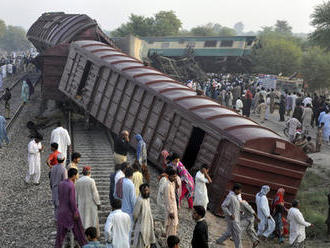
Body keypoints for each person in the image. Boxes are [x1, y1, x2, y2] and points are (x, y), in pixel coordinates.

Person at [55, 168, 87, 248]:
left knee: (60, 235)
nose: (77, 177)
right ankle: (85, 246)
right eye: (76, 175)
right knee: (79, 231)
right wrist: (75, 212)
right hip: (69, 212)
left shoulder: (61, 183)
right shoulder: (71, 185)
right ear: (73, 175)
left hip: (61, 211)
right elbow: (72, 200)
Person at [75, 166, 101, 237]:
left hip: (81, 204)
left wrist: (76, 204)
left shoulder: (78, 181)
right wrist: (98, 203)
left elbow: (76, 195)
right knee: (92, 220)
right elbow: (95, 193)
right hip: (91, 204)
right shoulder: (91, 181)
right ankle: (93, 235)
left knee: (83, 220)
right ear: (89, 173)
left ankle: (83, 236)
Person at [216, 183, 242, 247]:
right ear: (235, 190)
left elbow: (234, 206)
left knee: (230, 232)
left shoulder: (236, 197)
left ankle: (219, 241)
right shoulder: (230, 196)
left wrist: (240, 211)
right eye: (239, 190)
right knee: (238, 232)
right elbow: (223, 206)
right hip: (232, 218)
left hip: (235, 217)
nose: (240, 192)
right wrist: (230, 214)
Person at [132, 183, 156, 248]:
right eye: (144, 190)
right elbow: (135, 214)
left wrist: (152, 222)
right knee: (140, 244)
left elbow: (149, 212)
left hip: (148, 226)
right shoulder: (139, 200)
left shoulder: (147, 199)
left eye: (147, 190)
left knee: (148, 243)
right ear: (141, 191)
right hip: (141, 227)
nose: (146, 192)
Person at [50, 153, 67, 219]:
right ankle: (59, 219)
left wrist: (51, 187)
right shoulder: (63, 169)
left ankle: (56, 218)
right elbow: (65, 180)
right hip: (61, 189)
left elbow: (51, 179)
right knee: (60, 204)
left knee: (55, 204)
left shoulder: (53, 167)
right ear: (64, 159)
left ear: (57, 159)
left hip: (54, 187)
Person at [164, 167, 179, 237]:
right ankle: (169, 240)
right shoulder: (167, 185)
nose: (174, 178)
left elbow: (177, 188)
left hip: (174, 207)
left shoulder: (172, 183)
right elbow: (167, 200)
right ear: (169, 176)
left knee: (174, 225)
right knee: (171, 225)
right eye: (173, 176)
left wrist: (175, 181)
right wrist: (171, 211)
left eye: (175, 176)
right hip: (171, 210)